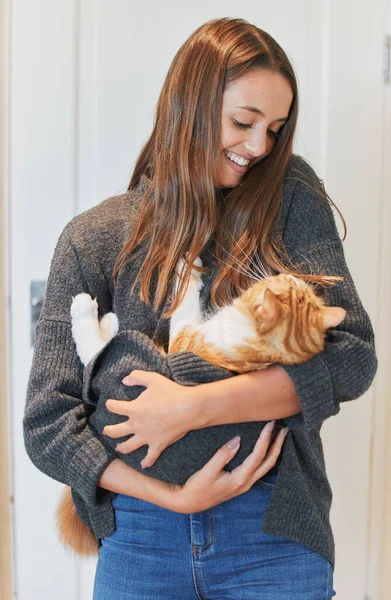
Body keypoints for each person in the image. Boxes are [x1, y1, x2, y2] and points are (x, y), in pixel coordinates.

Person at [23, 17, 377, 599]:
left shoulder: (288, 201)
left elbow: (352, 358)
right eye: (243, 122)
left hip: (273, 530)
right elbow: (47, 425)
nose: (259, 146)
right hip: (139, 535)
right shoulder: (94, 239)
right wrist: (174, 497)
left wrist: (194, 408)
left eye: (275, 128)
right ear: (189, 105)